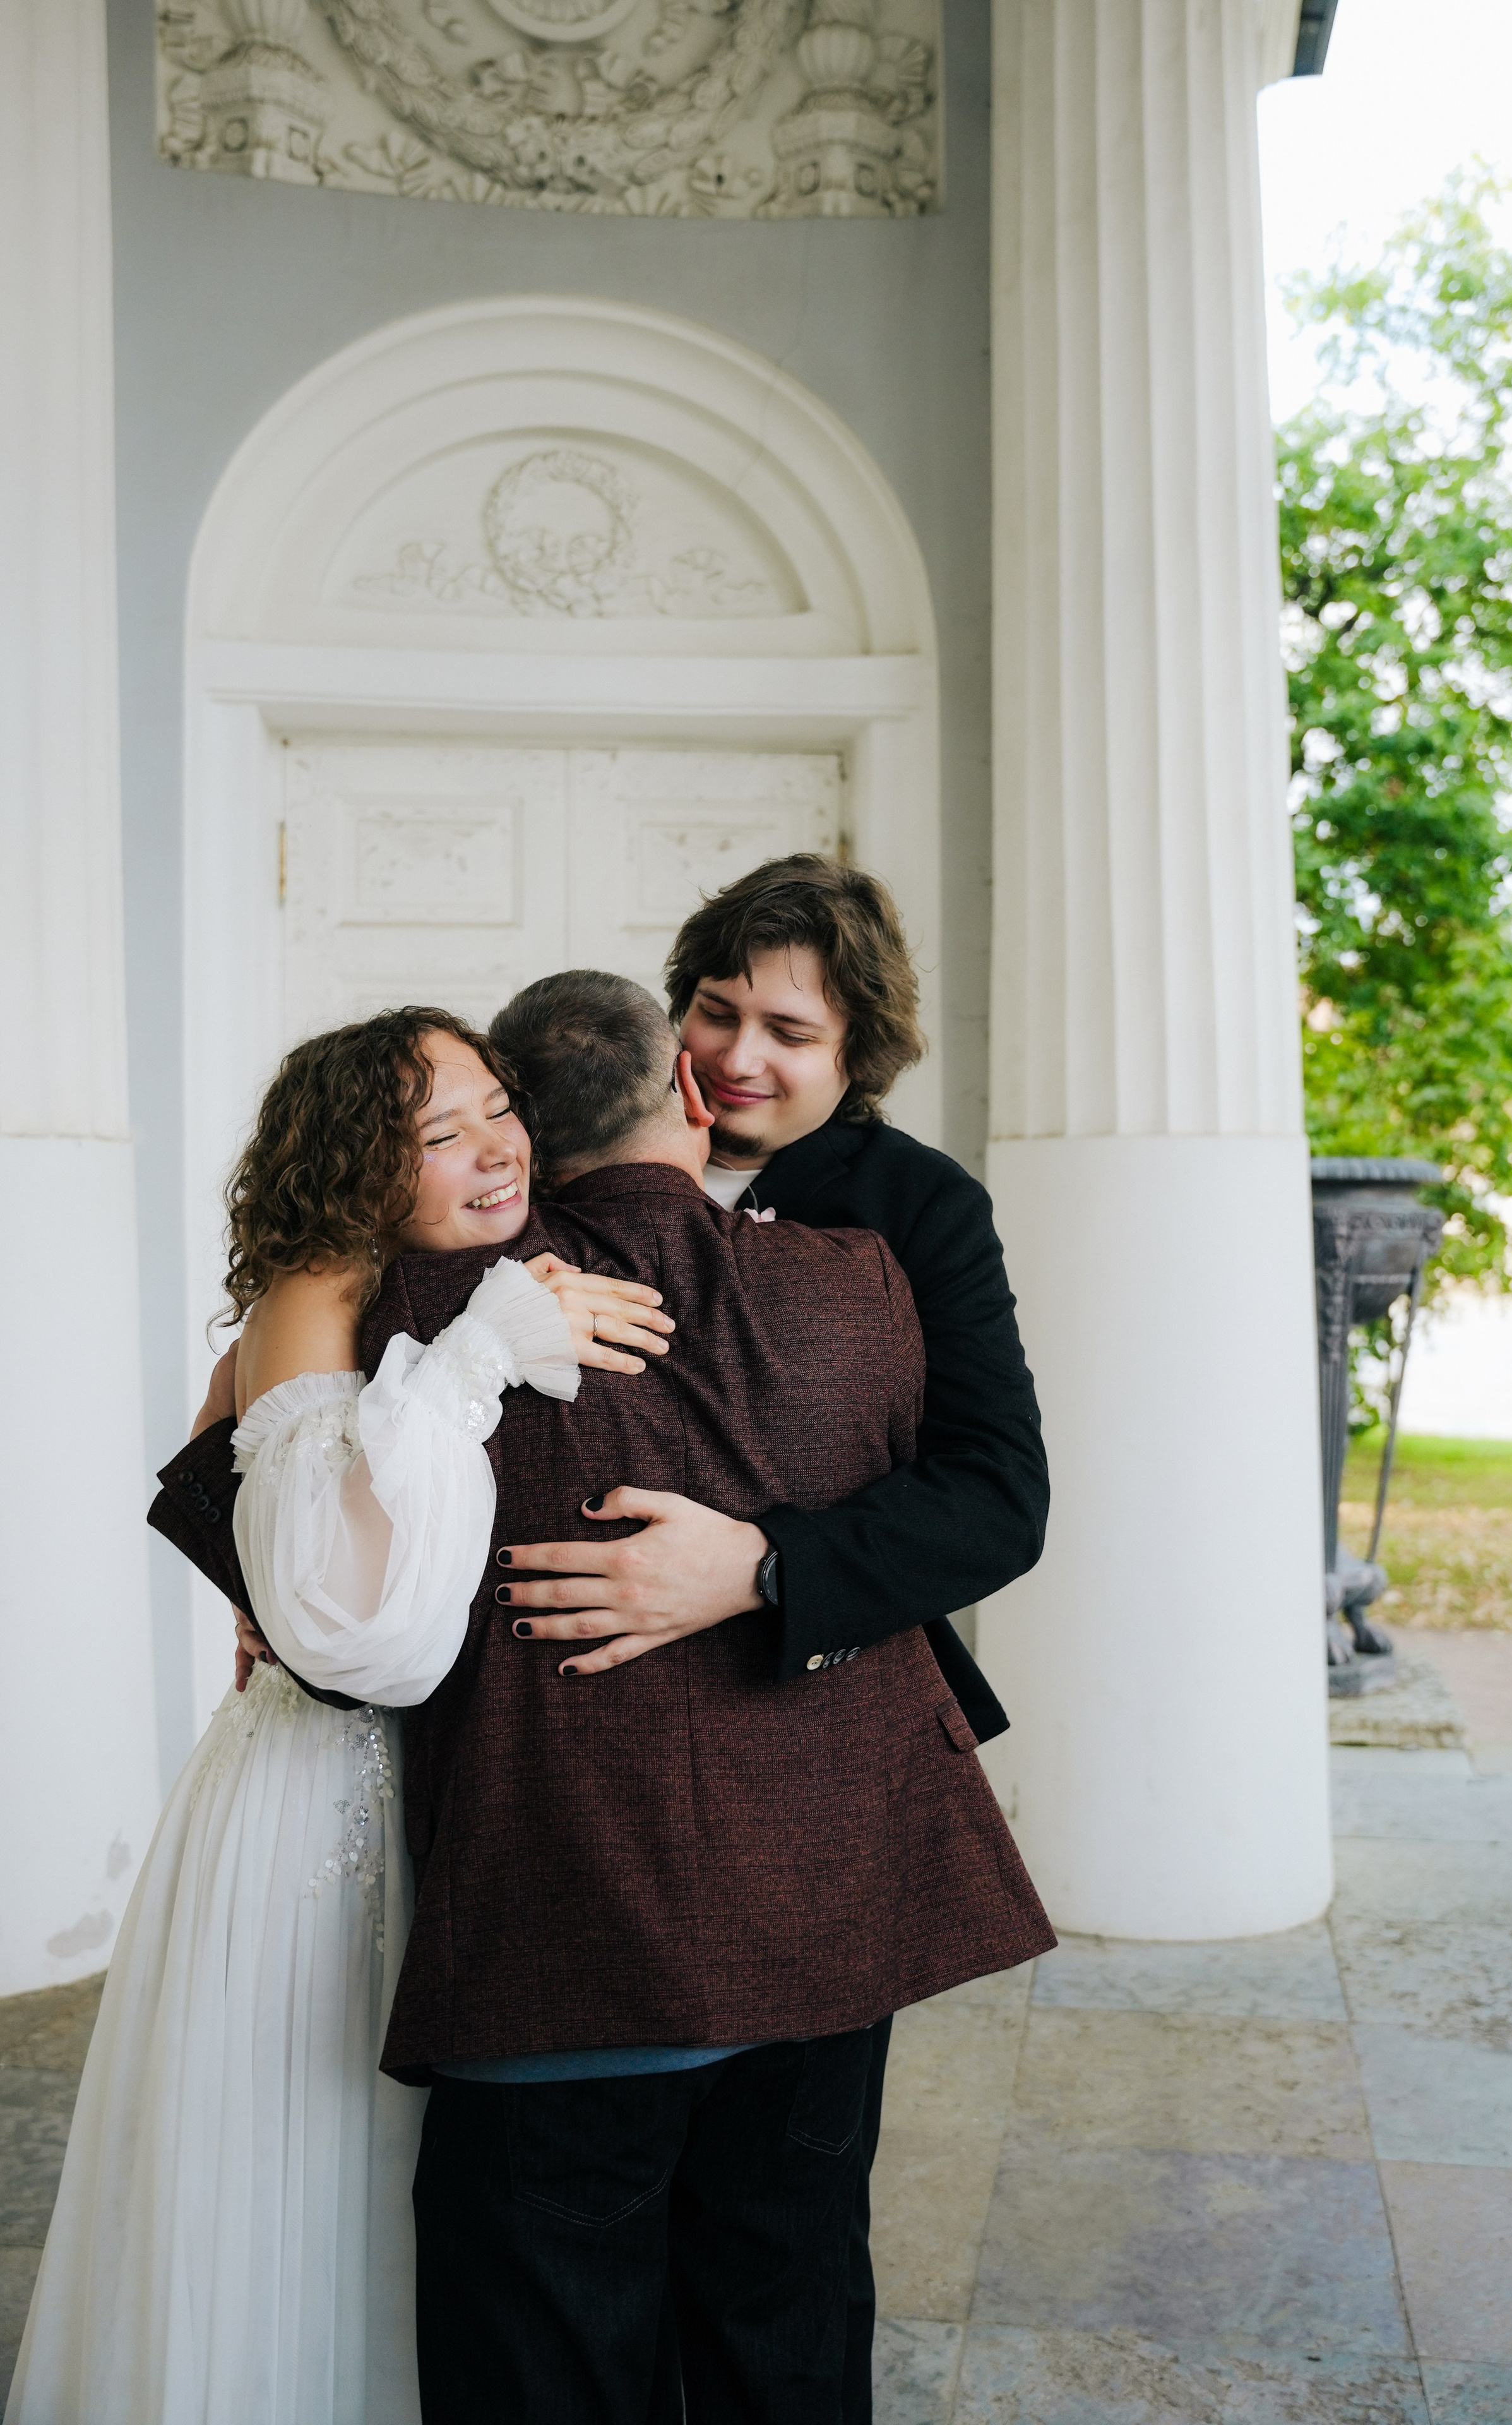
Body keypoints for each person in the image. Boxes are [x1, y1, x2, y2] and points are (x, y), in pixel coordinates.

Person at [155, 972, 1054, 2425]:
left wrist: (264, 1576)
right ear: (687, 1095)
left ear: (526, 1132)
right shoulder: (860, 1285)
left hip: (563, 1955)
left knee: (550, 2370)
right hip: (825, 1931)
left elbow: (258, 1505)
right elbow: (946, 1503)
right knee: (787, 2340)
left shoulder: (411, 1304)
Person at [4, 1009, 666, 2425]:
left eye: (499, 1108)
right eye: (441, 1135)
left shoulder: (449, 1272)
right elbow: (361, 1637)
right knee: (307, 2160)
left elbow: (237, 1494)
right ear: (363, 1164)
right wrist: (479, 1358)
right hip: (324, 1800)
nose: (495, 1149)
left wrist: (271, 1579)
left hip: (435, 1790)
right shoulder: (323, 1286)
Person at [487, 854, 1049, 2417]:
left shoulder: (914, 1211)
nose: (739, 1057)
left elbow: (996, 1499)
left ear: (858, 1052)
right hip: (570, 1807)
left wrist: (756, 1570)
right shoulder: (545, 1168)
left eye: (789, 1033)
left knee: (778, 2276)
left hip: (811, 1776)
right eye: (717, 1010)